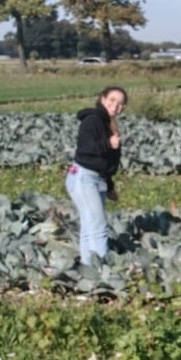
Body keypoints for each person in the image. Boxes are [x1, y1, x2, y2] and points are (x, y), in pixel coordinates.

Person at [65, 85, 126, 265]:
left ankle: (88, 268)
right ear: (102, 99)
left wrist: (109, 185)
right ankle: (102, 272)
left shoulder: (109, 123)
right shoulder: (92, 120)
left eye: (121, 103)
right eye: (112, 100)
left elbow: (106, 161)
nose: (116, 106)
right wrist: (109, 143)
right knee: (98, 227)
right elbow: (85, 148)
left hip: (96, 180)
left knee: (89, 227)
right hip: (84, 177)